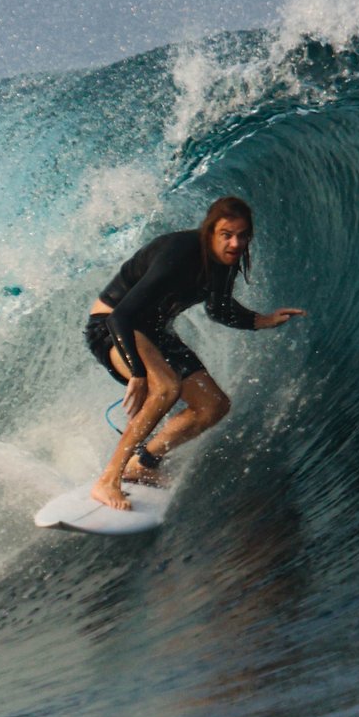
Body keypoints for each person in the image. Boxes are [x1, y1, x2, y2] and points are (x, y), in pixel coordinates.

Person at [82, 195, 304, 511]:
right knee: (166, 387)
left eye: (242, 235)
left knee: (213, 405)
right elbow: (121, 316)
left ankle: (143, 463)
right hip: (112, 327)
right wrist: (140, 374)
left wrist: (263, 320)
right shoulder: (178, 254)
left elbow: (220, 309)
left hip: (154, 334)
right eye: (226, 234)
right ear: (209, 232)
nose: (235, 243)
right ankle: (107, 481)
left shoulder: (225, 262)